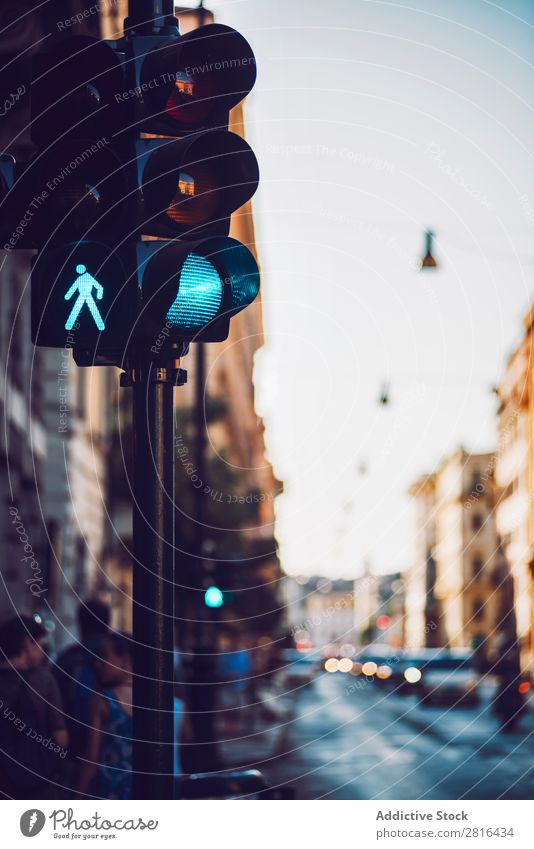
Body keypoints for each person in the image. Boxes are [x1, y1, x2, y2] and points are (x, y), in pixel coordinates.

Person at [0, 615, 69, 799]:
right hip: (35, 783)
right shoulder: (43, 681)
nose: (42, 650)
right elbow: (60, 738)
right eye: (40, 643)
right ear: (27, 643)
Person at [77, 633, 133, 800]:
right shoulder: (153, 698)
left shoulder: (104, 700)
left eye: (104, 657)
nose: (97, 663)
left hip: (109, 790)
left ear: (124, 659)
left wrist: (77, 797)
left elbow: (91, 759)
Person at [54, 599, 110, 764]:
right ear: (107, 622)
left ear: (80, 623)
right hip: (109, 750)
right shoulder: (117, 660)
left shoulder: (67, 658)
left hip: (71, 747)